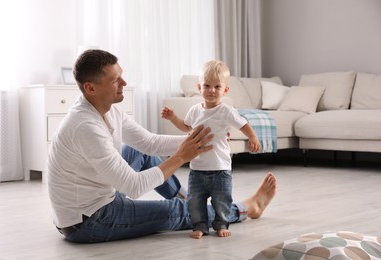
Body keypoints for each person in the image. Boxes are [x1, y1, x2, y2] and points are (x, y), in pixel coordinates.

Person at [47, 49, 277, 243]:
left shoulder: (107, 108)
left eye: (122, 75)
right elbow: (134, 187)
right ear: (90, 88)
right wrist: (181, 156)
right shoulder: (85, 126)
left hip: (97, 197)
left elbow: (149, 142)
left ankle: (189, 199)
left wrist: (203, 139)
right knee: (176, 213)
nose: (124, 83)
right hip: (88, 221)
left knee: (139, 150)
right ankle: (246, 208)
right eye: (115, 80)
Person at [161, 60, 262, 239]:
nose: (212, 90)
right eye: (207, 86)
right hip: (197, 170)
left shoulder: (226, 111)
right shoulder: (194, 110)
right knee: (195, 202)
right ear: (199, 87)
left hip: (220, 169)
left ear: (225, 90)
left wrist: (252, 137)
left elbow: (243, 124)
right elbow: (186, 127)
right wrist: (172, 117)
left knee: (222, 201)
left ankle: (221, 224)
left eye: (217, 86)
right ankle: (199, 226)